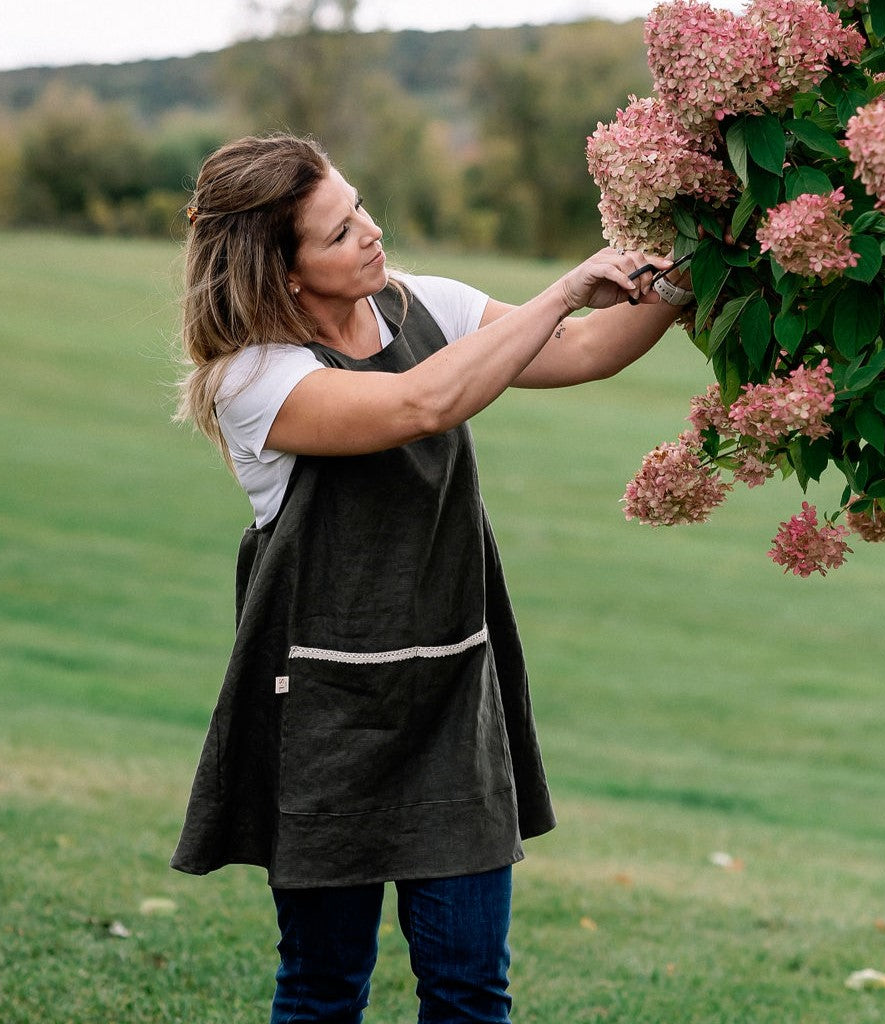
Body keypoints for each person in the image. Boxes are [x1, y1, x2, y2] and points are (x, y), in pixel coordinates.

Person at [170, 132, 694, 1024]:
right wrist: (565, 285)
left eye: (360, 206)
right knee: (325, 987)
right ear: (282, 271)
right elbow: (422, 404)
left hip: (453, 693)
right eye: (338, 234)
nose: (371, 233)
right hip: (326, 717)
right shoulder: (253, 378)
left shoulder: (426, 307)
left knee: (469, 989)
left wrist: (692, 268)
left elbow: (581, 352)